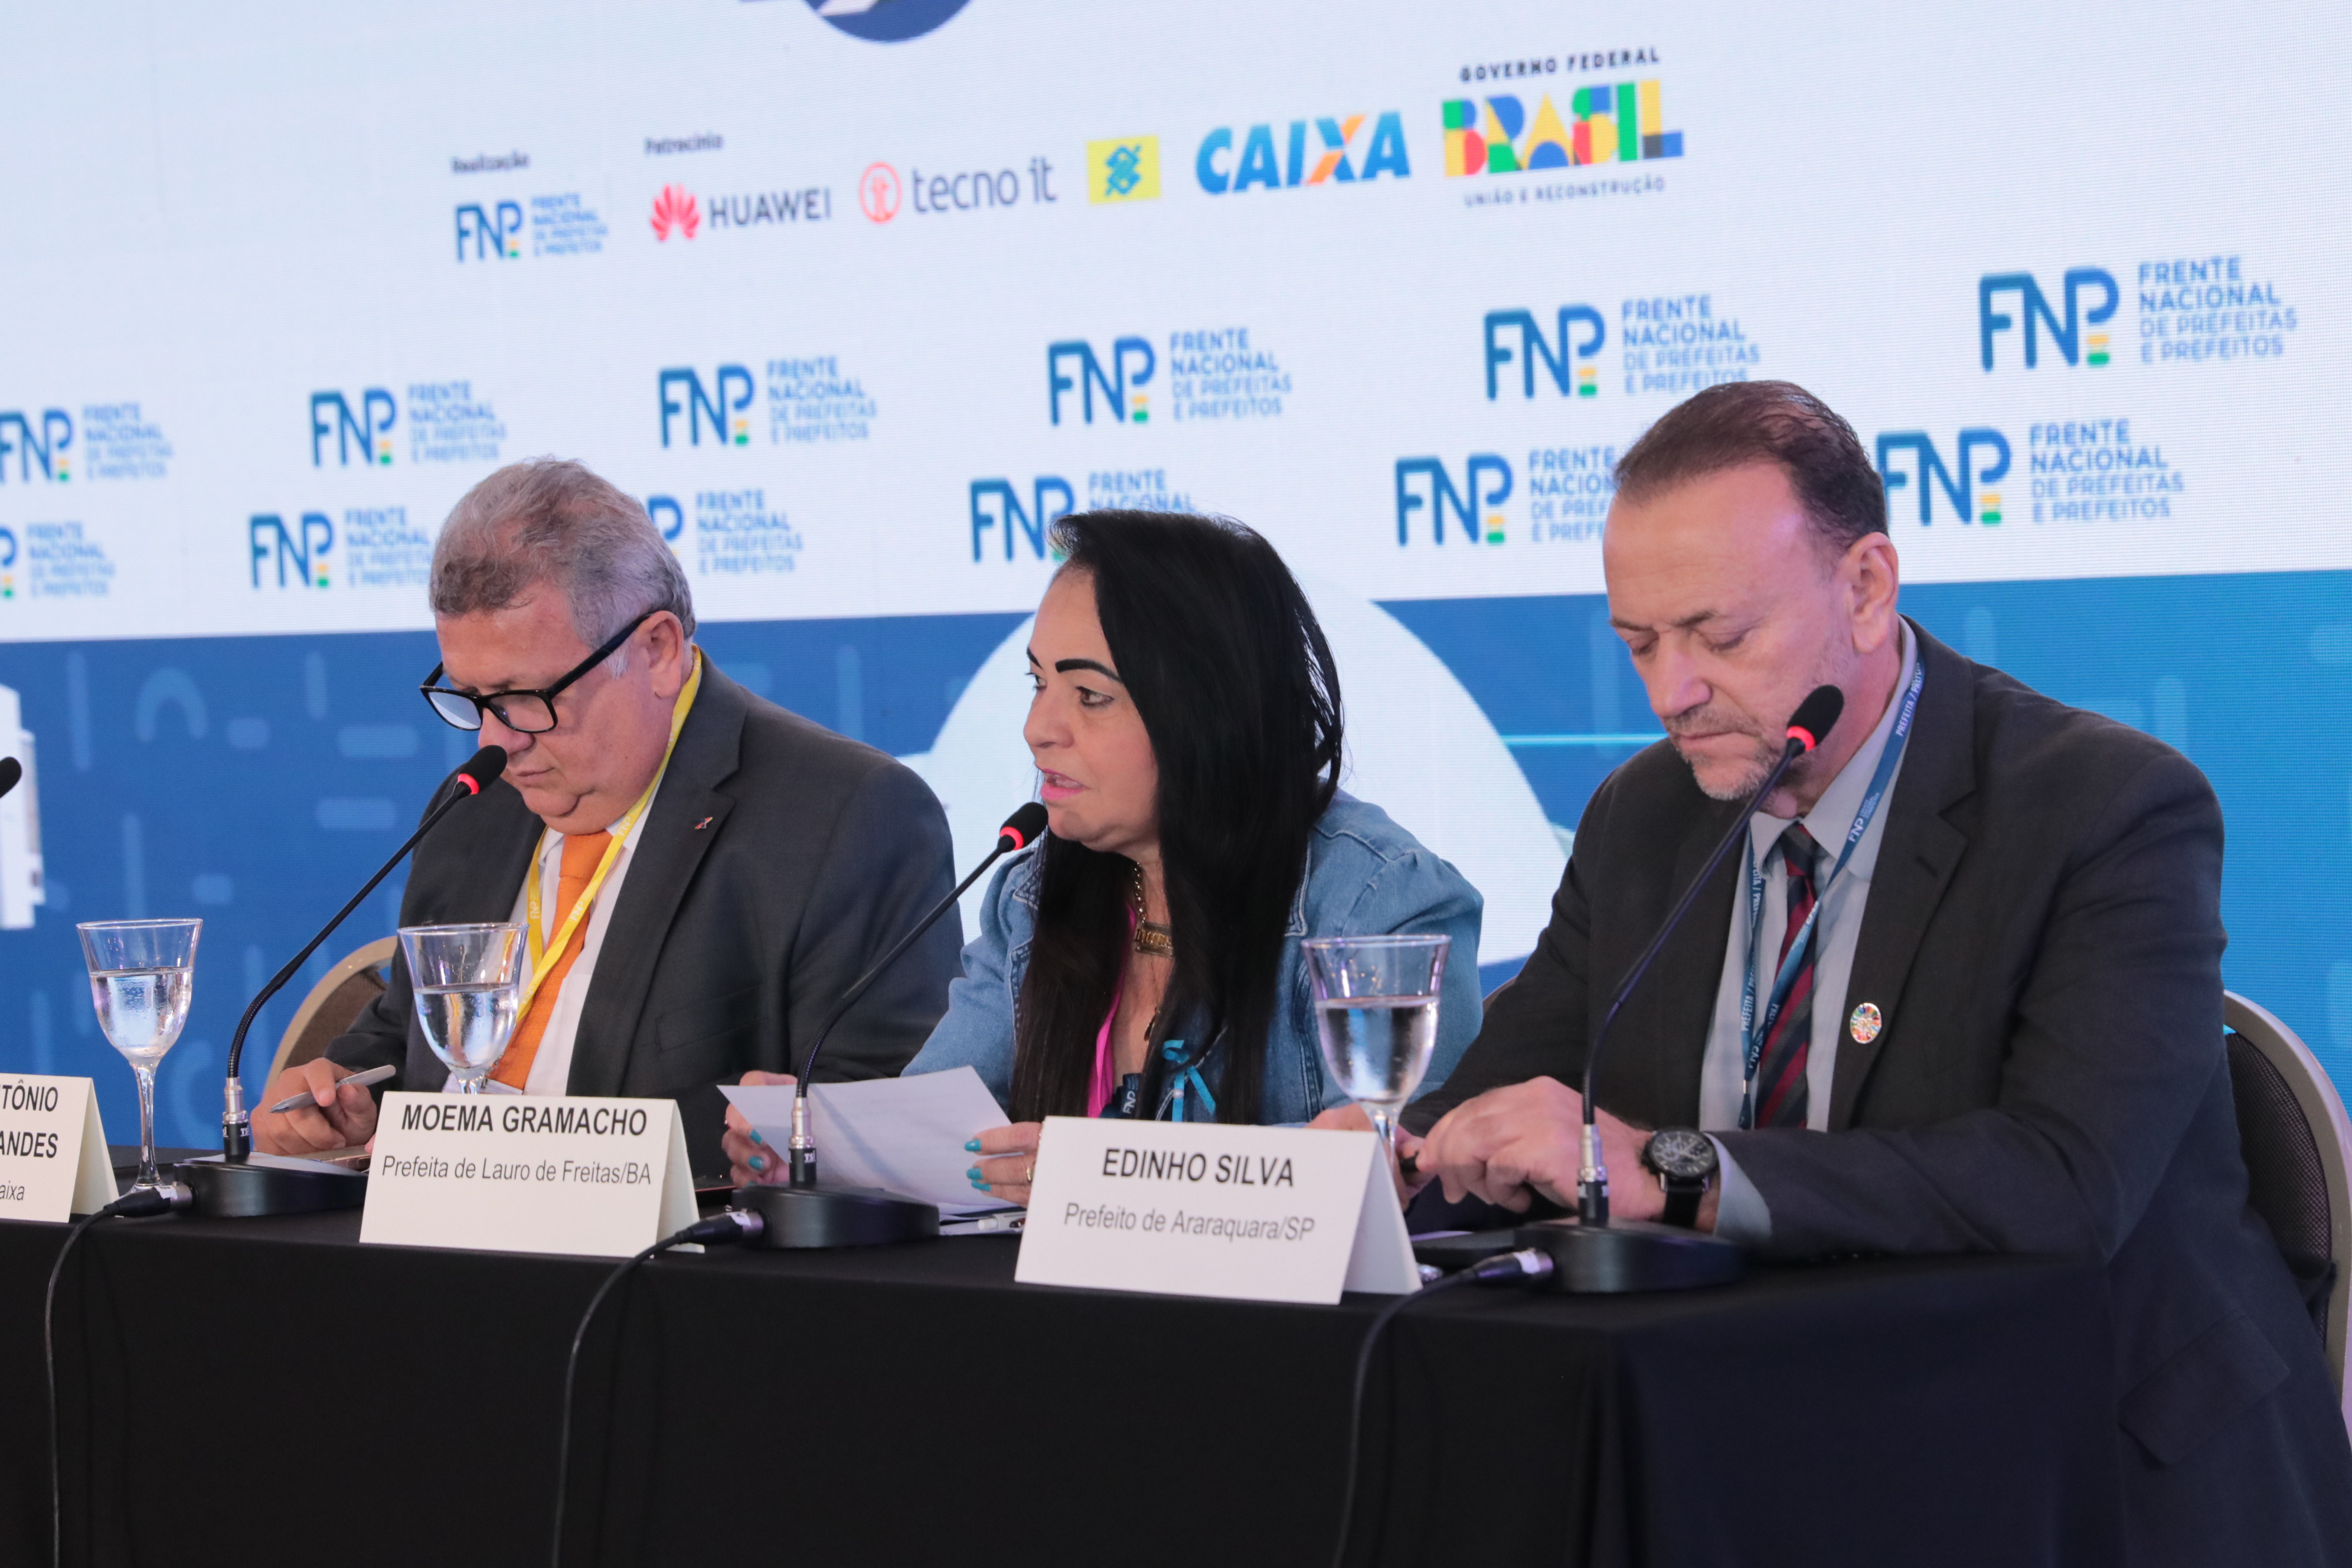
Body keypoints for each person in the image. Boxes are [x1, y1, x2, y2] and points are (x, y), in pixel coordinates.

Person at [1351, 380, 2352, 1564]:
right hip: (1764, 1438)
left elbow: (2064, 1185)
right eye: (1638, 643)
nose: (1671, 693)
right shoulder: (1641, 817)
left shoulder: (2103, 805)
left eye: (1721, 637)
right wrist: (1369, 1168)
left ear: (1867, 589)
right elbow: (1501, 1101)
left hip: (2080, 1459)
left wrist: (1670, 1169)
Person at [722, 509, 1484, 1201]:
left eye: (1090, 696)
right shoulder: (1030, 897)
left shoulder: (1381, 902)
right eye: (1038, 682)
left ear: (1207, 712)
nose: (1038, 728)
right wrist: (823, 1147)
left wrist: (1107, 1174)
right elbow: (940, 1129)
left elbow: (1404, 1166)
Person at [252, 458, 961, 1175]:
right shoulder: (473, 809)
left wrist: (793, 1151)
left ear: (657, 651)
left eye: (525, 697)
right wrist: (341, 1093)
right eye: (470, 698)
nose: (497, 741)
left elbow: (882, 1122)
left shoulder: (847, 817)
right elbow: (409, 1034)